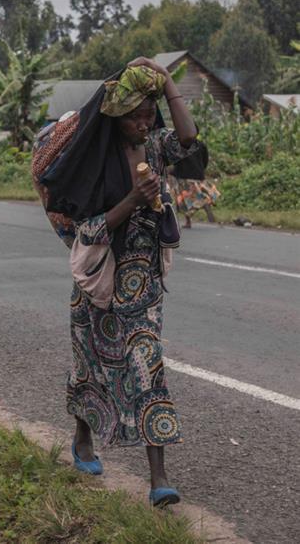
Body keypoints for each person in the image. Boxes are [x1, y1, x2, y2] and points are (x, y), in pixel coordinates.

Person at [36, 59, 204, 507]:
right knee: (90, 366)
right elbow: (87, 230)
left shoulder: (155, 145)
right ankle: (82, 439)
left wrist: (167, 83)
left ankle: (158, 479)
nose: (144, 123)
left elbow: (189, 140)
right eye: (135, 116)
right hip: (99, 281)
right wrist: (132, 200)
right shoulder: (96, 158)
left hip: (143, 282)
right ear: (115, 116)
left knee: (147, 368)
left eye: (150, 114)